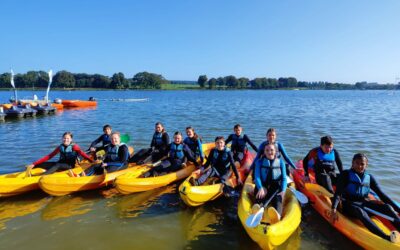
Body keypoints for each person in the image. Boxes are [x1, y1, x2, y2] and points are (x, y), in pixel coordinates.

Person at [331, 153, 400, 243]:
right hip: (348, 205)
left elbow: (382, 195)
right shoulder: (345, 174)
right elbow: (338, 193)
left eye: (362, 164)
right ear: (352, 163)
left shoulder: (369, 177)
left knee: (387, 208)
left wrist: (398, 210)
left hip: (363, 204)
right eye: (357, 163)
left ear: (366, 165)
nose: (359, 166)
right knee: (360, 211)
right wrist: (333, 208)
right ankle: (386, 238)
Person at [26, 132, 93, 175]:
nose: (66, 140)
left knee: (57, 165)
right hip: (59, 163)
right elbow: (49, 156)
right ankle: (27, 172)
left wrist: (92, 161)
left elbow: (83, 154)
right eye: (64, 138)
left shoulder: (75, 147)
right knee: (41, 164)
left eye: (68, 138)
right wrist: (34, 164)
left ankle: (41, 176)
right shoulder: (60, 147)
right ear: (62, 138)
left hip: (69, 165)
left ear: (71, 139)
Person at [254, 143, 287, 221]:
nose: (269, 152)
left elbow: (284, 178)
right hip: (263, 186)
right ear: (264, 152)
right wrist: (260, 187)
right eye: (267, 150)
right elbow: (257, 176)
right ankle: (258, 210)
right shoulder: (259, 162)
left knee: (278, 201)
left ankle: (277, 216)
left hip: (275, 189)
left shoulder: (281, 162)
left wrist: (283, 190)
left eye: (272, 150)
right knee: (260, 198)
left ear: (275, 151)